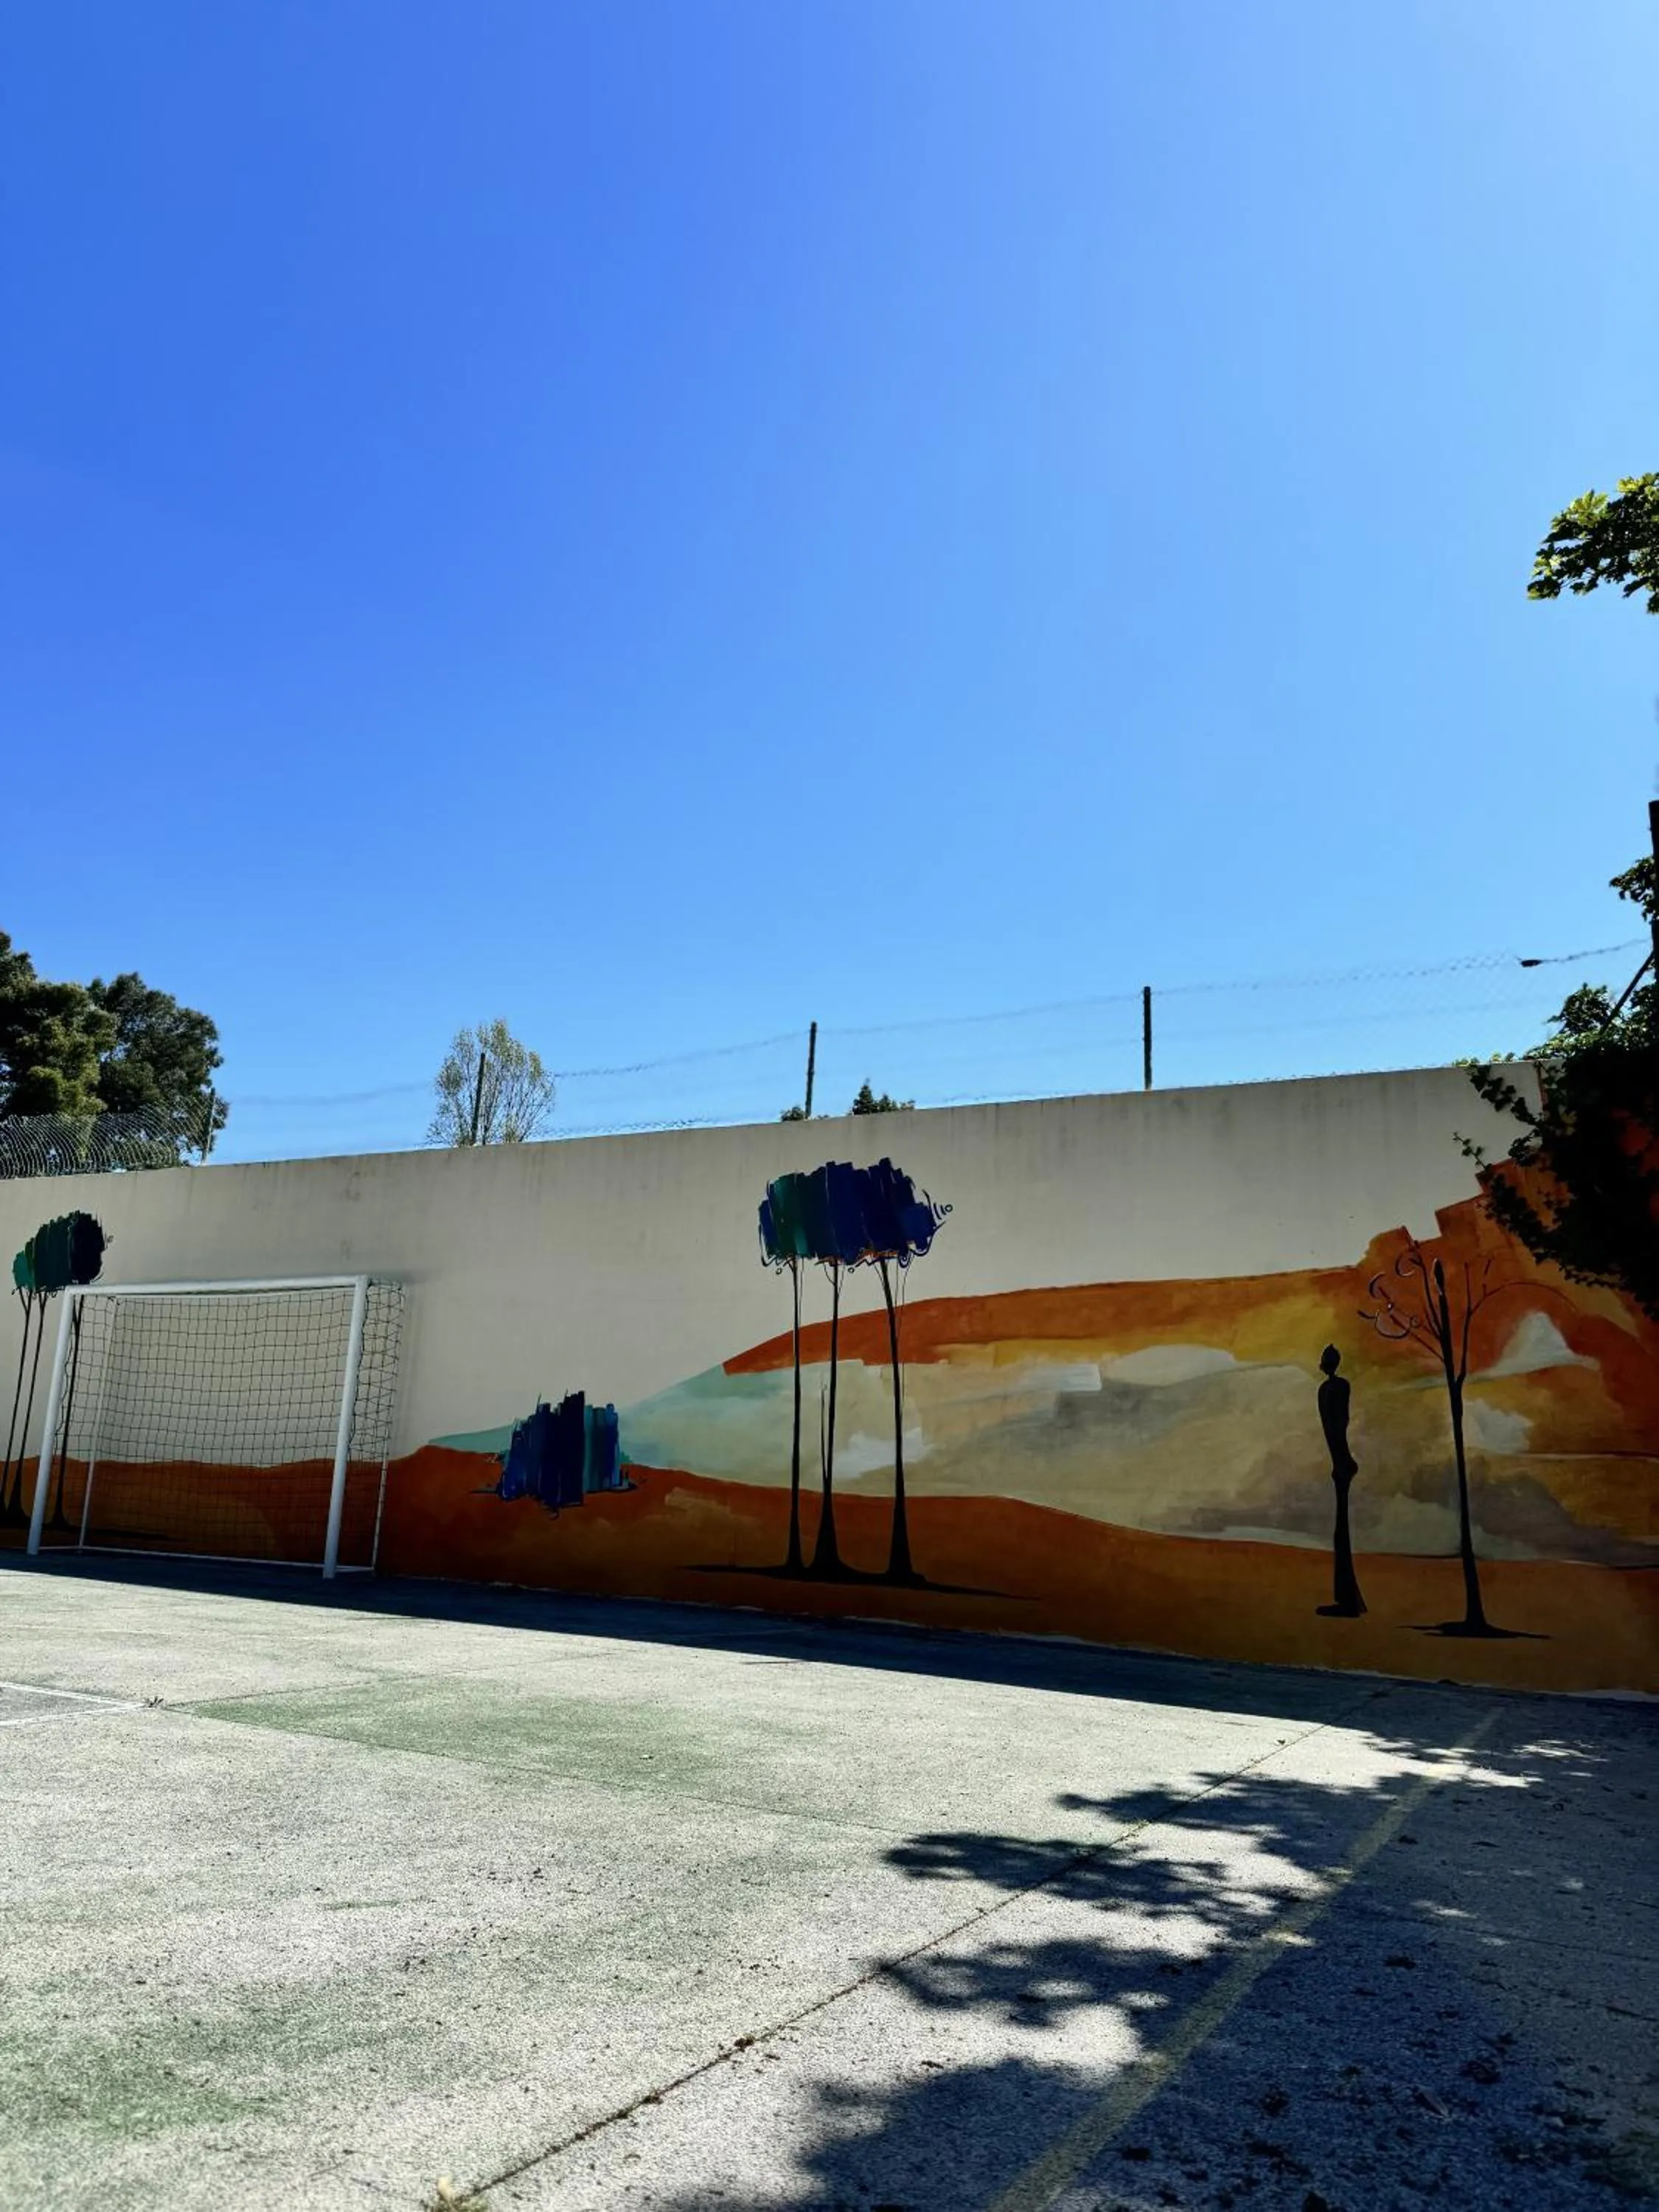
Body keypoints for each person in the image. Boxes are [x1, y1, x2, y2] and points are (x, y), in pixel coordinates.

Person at [1316, 1344, 1366, 1617]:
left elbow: (1334, 1426)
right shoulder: (1339, 1388)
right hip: (1341, 1460)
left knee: (1341, 1531)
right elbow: (1340, 1422)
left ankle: (1347, 1600)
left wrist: (1340, 1461)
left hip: (1341, 1460)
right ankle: (1348, 1598)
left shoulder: (1327, 1390)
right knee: (1340, 1531)